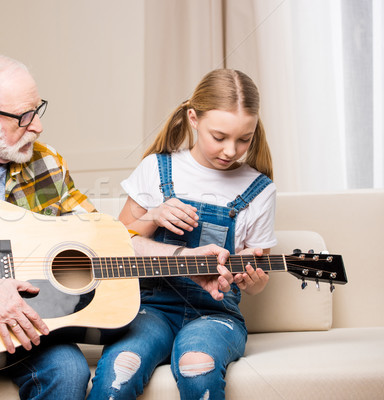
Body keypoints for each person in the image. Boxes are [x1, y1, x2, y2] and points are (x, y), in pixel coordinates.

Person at [0, 54, 235, 400]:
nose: (38, 127)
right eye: (24, 116)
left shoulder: (47, 163)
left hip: (28, 320)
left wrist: (185, 257)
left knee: (69, 372)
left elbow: (104, 239)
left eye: (37, 110)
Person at [88, 69, 277, 400]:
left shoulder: (260, 189)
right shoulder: (156, 169)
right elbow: (114, 251)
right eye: (219, 137)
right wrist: (153, 215)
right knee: (122, 367)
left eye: (243, 139)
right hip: (149, 308)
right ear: (193, 118)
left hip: (216, 313)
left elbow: (259, 280)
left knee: (197, 366)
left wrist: (252, 279)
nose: (231, 150)